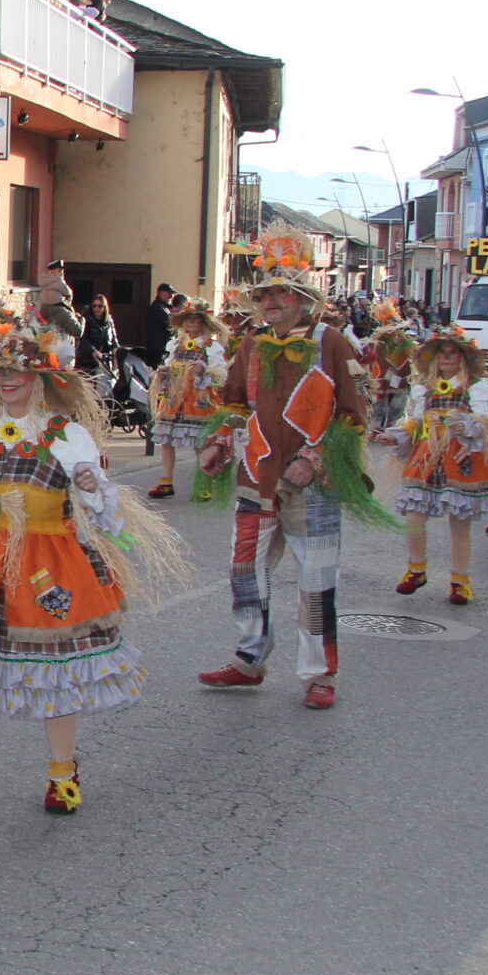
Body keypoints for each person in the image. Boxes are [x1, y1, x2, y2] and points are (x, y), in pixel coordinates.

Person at [0, 315, 181, 813]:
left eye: (18, 371)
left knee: (55, 673)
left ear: (42, 379)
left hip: (47, 562)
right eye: (0, 371)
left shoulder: (66, 434)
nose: (7, 380)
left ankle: (62, 775)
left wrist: (91, 486)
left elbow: (103, 510)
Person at [193, 236, 385, 710]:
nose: (270, 302)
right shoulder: (251, 344)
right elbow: (235, 405)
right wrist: (218, 442)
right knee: (245, 572)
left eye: (281, 293)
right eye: (263, 295)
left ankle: (320, 675)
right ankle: (249, 659)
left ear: (302, 299)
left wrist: (313, 459)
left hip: (312, 485)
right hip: (256, 478)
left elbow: (354, 412)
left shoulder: (330, 342)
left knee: (316, 582)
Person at [378, 330, 488, 606]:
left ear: (463, 357)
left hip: (460, 457)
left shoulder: (475, 387)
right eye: (441, 353)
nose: (447, 358)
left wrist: (467, 425)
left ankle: (459, 581)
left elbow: (486, 421)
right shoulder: (424, 388)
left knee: (459, 523)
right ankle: (416, 569)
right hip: (427, 455)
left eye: (453, 353)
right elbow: (416, 421)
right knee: (414, 515)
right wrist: (396, 436)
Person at [146, 304, 230, 500]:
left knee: (200, 443)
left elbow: (221, 375)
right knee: (166, 441)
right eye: (188, 319)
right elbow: (169, 365)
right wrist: (163, 373)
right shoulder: (175, 344)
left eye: (196, 318)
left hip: (198, 401)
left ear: (204, 322)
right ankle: (166, 482)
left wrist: (203, 371)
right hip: (174, 400)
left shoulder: (211, 347)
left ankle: (205, 484)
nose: (192, 322)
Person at [141, 281, 176, 368]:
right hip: (157, 349)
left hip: (160, 347)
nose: (171, 296)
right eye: (169, 293)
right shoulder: (157, 308)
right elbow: (169, 326)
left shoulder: (163, 307)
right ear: (161, 293)